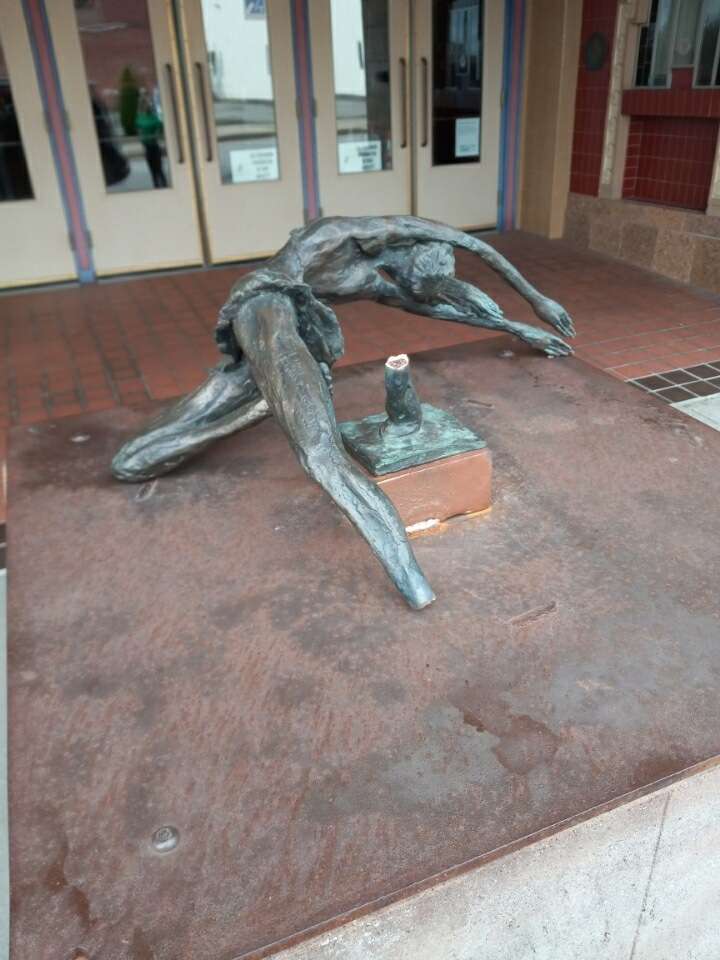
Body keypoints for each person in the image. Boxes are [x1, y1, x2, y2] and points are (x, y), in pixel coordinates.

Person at [112, 216, 575, 609]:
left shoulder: (376, 282)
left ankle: (258, 405)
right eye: (415, 282)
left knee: (131, 462)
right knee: (322, 456)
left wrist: (519, 328)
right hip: (265, 313)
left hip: (288, 328)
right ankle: (410, 579)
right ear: (412, 253)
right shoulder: (342, 234)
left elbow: (436, 309)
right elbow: (468, 241)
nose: (409, 291)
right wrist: (536, 298)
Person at [136, 89, 166, 188]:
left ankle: (159, 184)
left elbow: (140, 128)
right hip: (150, 145)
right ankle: (159, 183)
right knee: (156, 167)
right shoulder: (144, 118)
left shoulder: (145, 118)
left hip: (151, 144)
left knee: (156, 167)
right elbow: (140, 128)